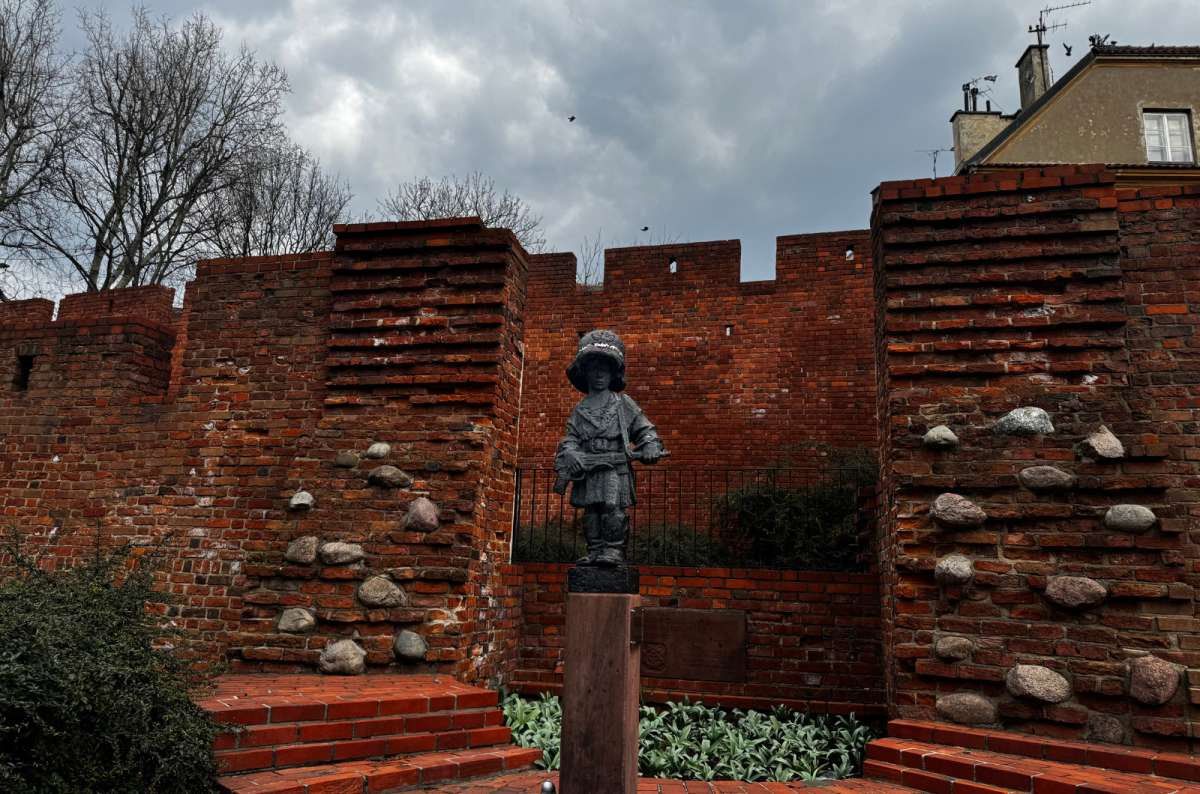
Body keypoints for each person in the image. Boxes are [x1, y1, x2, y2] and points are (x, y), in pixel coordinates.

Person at [553, 330, 665, 566]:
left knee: (611, 509)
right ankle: (594, 551)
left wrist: (650, 446)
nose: (600, 374)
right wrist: (571, 453)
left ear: (613, 373)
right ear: (585, 373)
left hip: (614, 466)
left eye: (605, 368)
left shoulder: (622, 403)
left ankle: (612, 551)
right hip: (588, 467)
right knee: (591, 512)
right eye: (594, 368)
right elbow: (569, 439)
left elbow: (645, 430)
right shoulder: (580, 410)